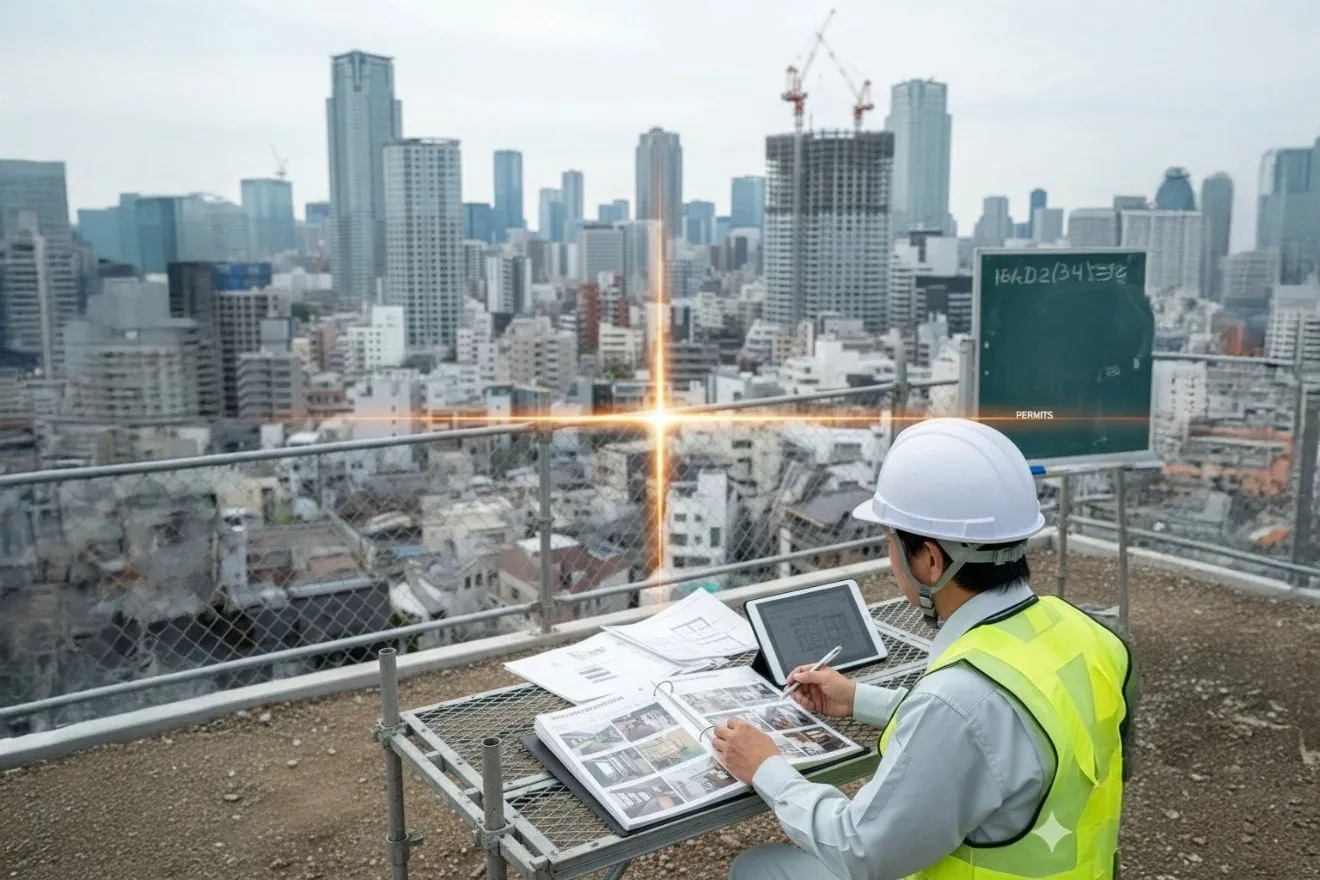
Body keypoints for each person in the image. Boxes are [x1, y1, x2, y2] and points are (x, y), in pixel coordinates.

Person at [713, 418, 1140, 880]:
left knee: (760, 868)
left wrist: (766, 768)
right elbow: (1007, 733)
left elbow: (860, 851)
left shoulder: (957, 700)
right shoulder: (1092, 635)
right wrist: (857, 698)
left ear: (931, 560)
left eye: (891, 543)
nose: (891, 558)